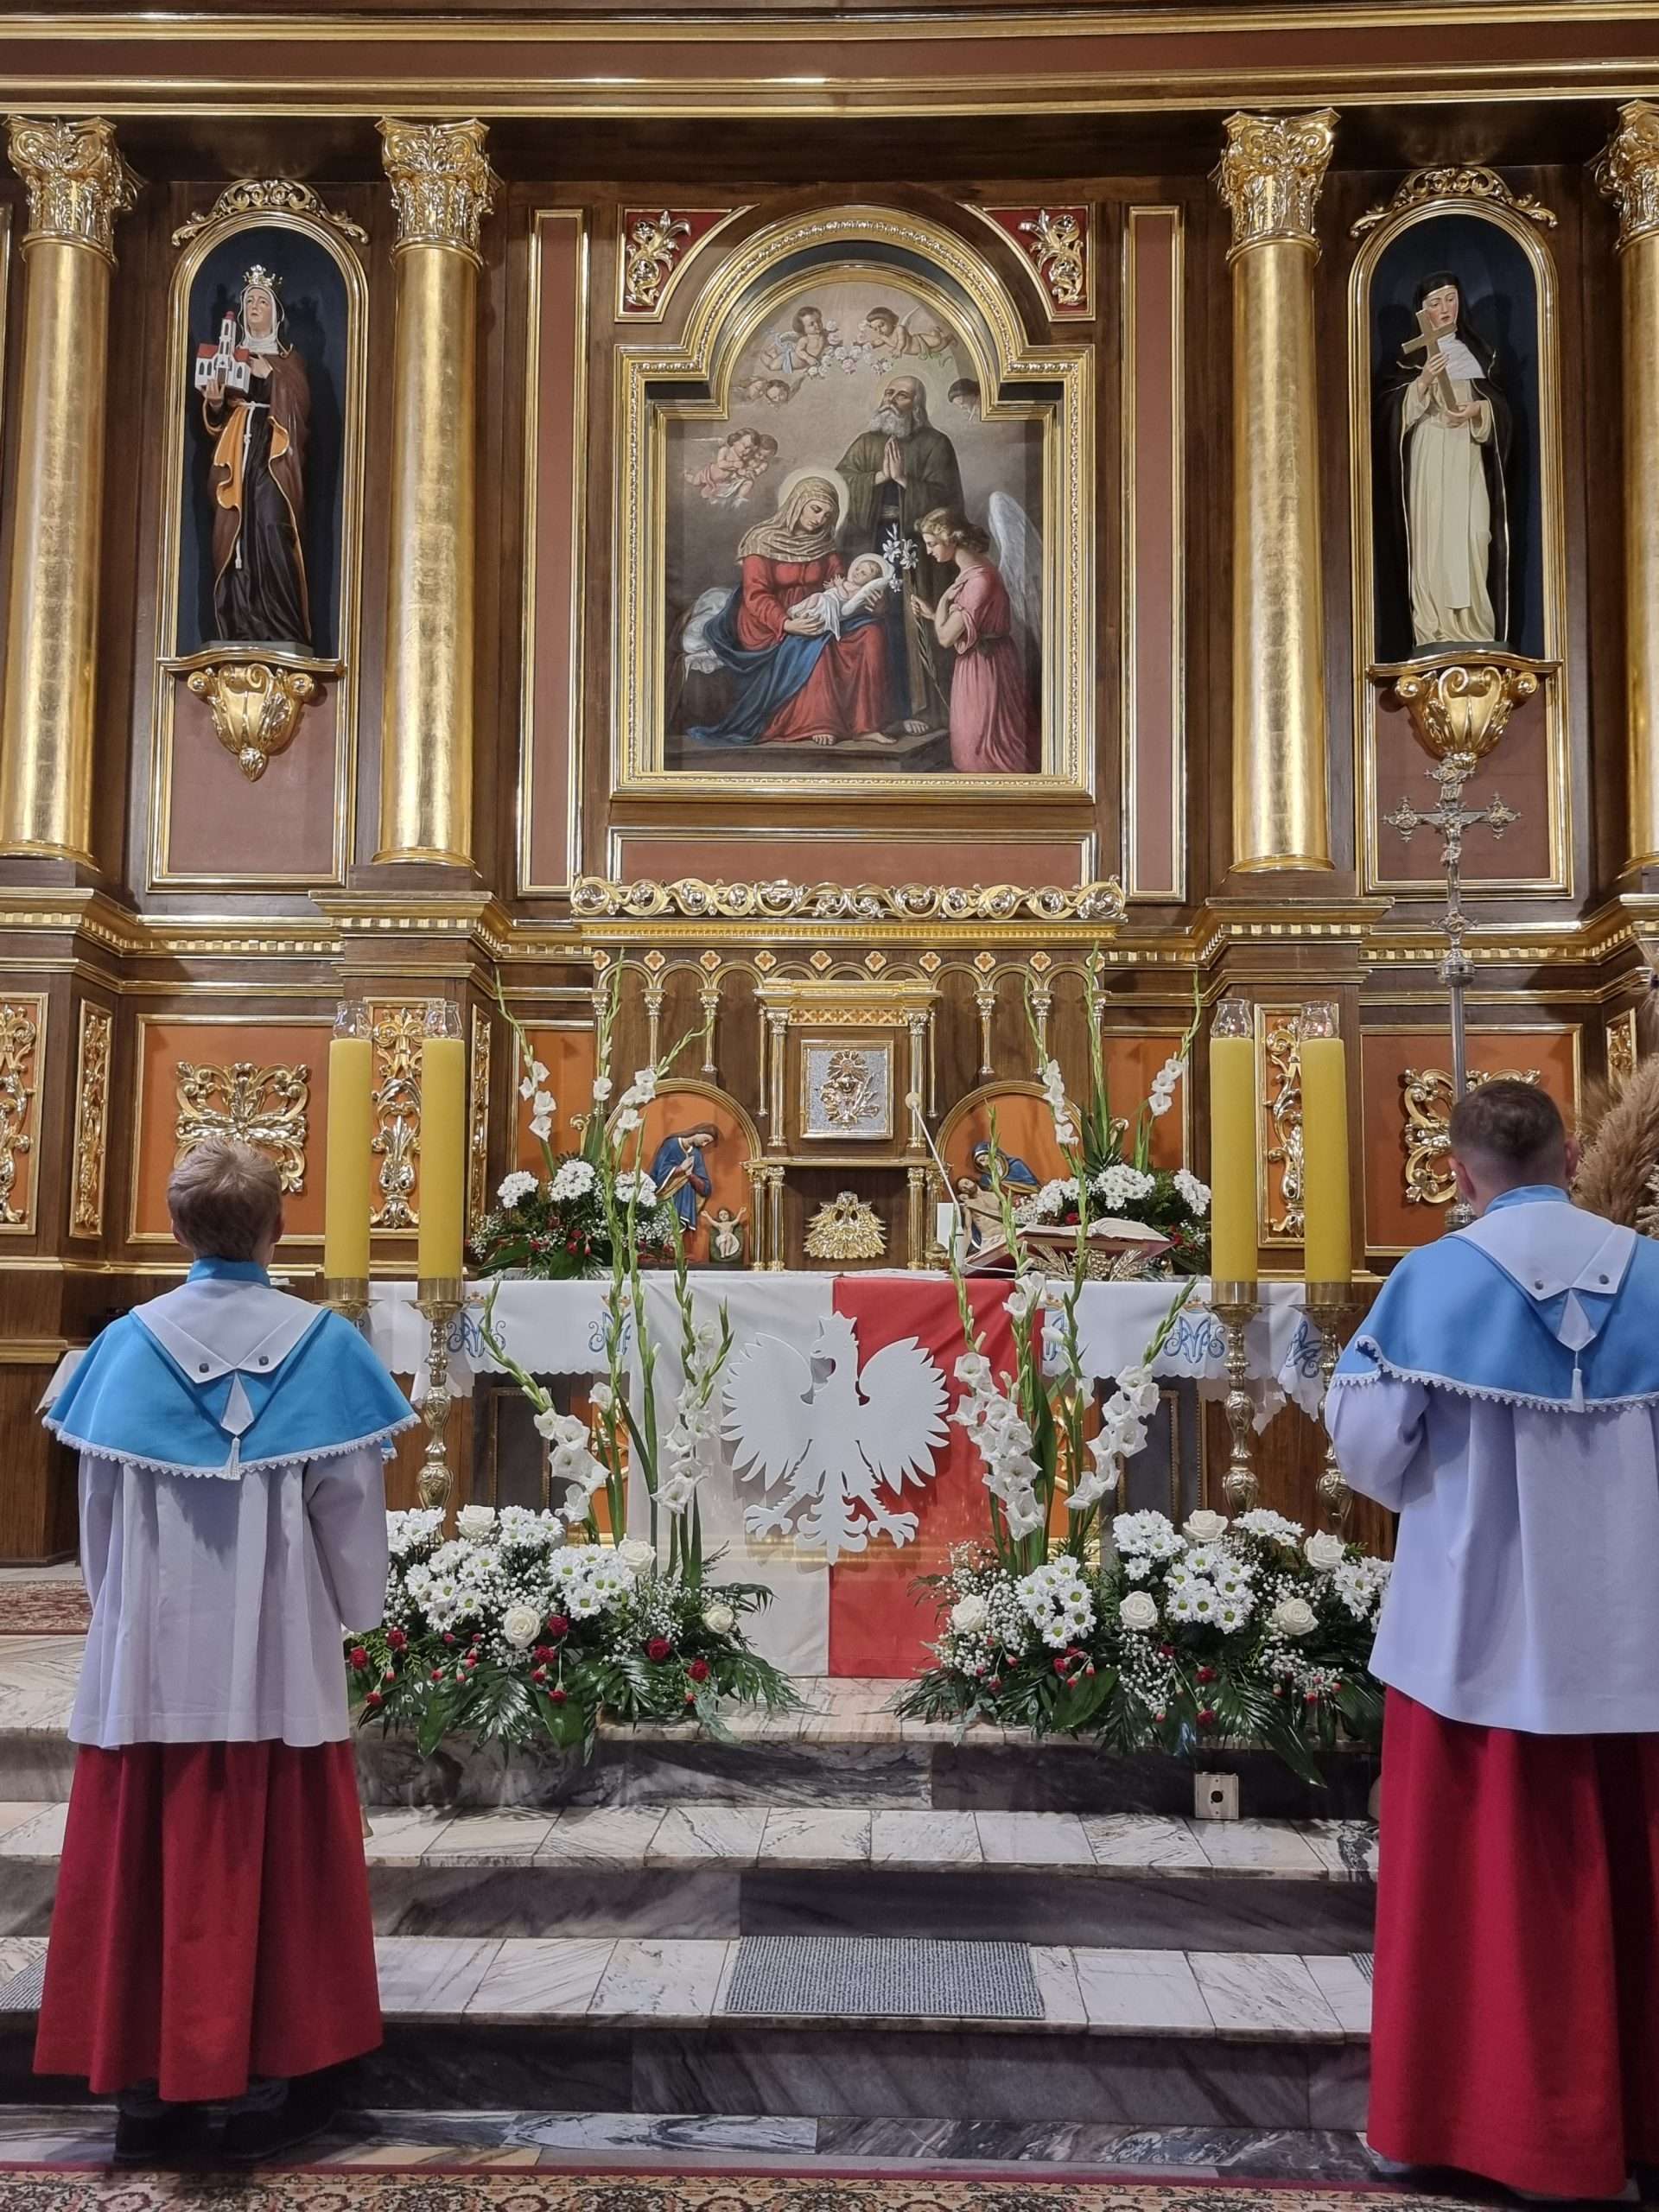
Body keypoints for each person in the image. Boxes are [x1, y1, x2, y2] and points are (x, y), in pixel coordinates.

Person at [35, 1138, 415, 2166]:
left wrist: (126, 1618)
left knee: (149, 1861)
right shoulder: (324, 1349)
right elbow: (353, 1524)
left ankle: (147, 2096)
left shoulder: (123, 1350)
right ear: (278, 1228)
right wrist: (357, 1611)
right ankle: (268, 2085)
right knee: (271, 1859)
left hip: (149, 1665)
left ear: (174, 1228)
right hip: (277, 1661)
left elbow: (99, 1526)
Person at [1326, 1080, 1659, 2203]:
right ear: (1573, 1152)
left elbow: (1370, 1451)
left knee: (1472, 1896)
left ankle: (1470, 2126)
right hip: (1632, 1634)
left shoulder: (1432, 1281)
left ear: (1461, 1173)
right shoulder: (1653, 1275)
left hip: (1470, 1637)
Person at [681, 477, 893, 748]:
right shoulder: (762, 539)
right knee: (816, 643)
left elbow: (842, 584)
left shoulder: (823, 543)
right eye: (816, 509)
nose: (820, 519)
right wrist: (786, 623)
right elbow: (756, 594)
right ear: (797, 503)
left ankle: (866, 725)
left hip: (818, 609)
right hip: (767, 620)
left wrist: (874, 602)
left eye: (827, 515)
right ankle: (819, 722)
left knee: (872, 632)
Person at [1379, 270, 1512, 652]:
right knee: (1433, 538)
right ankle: (1434, 628)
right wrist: (1422, 381)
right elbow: (1388, 416)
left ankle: (1475, 627)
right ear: (1423, 312)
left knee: (1476, 535)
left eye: (1451, 299)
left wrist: (1478, 410)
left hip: (1467, 453)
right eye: (1435, 303)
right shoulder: (1410, 359)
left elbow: (1503, 414)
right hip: (1429, 451)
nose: (1445, 309)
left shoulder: (1481, 355)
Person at [201, 266, 313, 651]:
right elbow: (217, 420)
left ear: (275, 313)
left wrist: (271, 376)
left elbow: (300, 409)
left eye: (262, 301)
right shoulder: (230, 356)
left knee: (270, 524)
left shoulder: (289, 360)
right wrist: (216, 404)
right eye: (249, 300)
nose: (254, 306)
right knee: (234, 533)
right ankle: (240, 623)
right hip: (237, 451)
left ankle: (279, 623)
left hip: (272, 456)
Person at [912, 508, 1038, 772]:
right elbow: (971, 625)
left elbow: (945, 638)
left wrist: (943, 602)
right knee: (971, 749)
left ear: (951, 539)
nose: (929, 551)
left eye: (932, 544)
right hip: (985, 660)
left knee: (982, 753)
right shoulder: (974, 572)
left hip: (986, 667)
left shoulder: (978, 581)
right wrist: (934, 615)